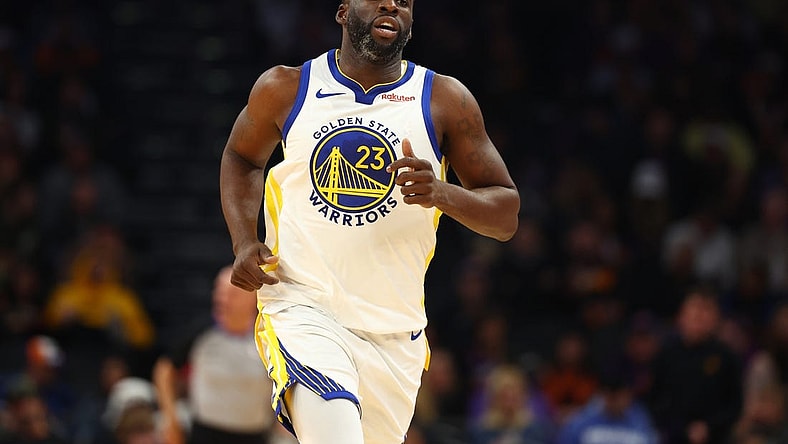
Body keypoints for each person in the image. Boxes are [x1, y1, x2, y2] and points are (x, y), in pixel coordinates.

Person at [219, 1, 520, 442]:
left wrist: (441, 192)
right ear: (343, 11)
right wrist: (244, 241)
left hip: (395, 332)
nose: (391, 4)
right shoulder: (286, 87)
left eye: (404, 1)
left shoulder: (444, 100)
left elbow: (506, 214)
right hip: (304, 309)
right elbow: (241, 156)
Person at [153, 266, 292, 444]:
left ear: (252, 298)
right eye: (219, 292)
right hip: (205, 434)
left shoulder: (268, 336)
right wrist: (170, 418)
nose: (222, 299)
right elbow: (164, 370)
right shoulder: (200, 332)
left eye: (231, 294)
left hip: (254, 436)